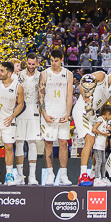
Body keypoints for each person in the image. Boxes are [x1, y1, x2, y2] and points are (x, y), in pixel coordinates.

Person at [74, 67, 111, 186]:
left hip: (93, 115)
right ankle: (82, 176)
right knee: (90, 139)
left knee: (102, 143)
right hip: (82, 110)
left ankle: (94, 175)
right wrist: (84, 95)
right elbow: (83, 82)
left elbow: (108, 112)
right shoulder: (102, 75)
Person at [0, 61, 24, 186]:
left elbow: (21, 104)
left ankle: (9, 175)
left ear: (9, 73)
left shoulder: (18, 86)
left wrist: (12, 116)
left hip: (8, 121)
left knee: (9, 147)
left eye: (2, 71)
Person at [39, 49, 74, 186]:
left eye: (56, 61)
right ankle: (50, 174)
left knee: (63, 143)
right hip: (49, 114)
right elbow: (40, 95)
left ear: (62, 60)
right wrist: (44, 114)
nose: (53, 63)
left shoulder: (68, 74)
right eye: (52, 60)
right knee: (48, 143)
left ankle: (63, 175)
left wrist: (68, 113)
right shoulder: (44, 74)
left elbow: (69, 95)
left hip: (63, 114)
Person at [15, 53, 41, 185]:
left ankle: (32, 176)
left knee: (32, 143)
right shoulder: (18, 75)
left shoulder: (41, 76)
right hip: (20, 111)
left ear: (37, 63)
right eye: (29, 64)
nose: (31, 66)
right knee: (19, 142)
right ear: (26, 62)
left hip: (34, 110)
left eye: (33, 64)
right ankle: (20, 176)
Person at [91, 104, 111, 185]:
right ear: (108, 113)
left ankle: (103, 178)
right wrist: (104, 133)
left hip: (102, 145)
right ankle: (97, 178)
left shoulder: (105, 121)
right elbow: (94, 129)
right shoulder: (100, 119)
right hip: (97, 145)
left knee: (103, 162)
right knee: (98, 161)